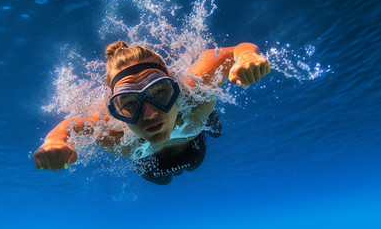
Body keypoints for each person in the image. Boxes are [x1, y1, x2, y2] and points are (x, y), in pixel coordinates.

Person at [33, 41, 270, 184]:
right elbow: (73, 124)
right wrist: (54, 141)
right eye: (128, 103)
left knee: (207, 122)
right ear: (115, 110)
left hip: (192, 134)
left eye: (159, 93)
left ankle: (210, 121)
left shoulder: (197, 93)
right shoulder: (113, 134)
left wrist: (248, 57)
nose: (147, 113)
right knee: (162, 180)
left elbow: (229, 53)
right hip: (150, 161)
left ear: (176, 88)